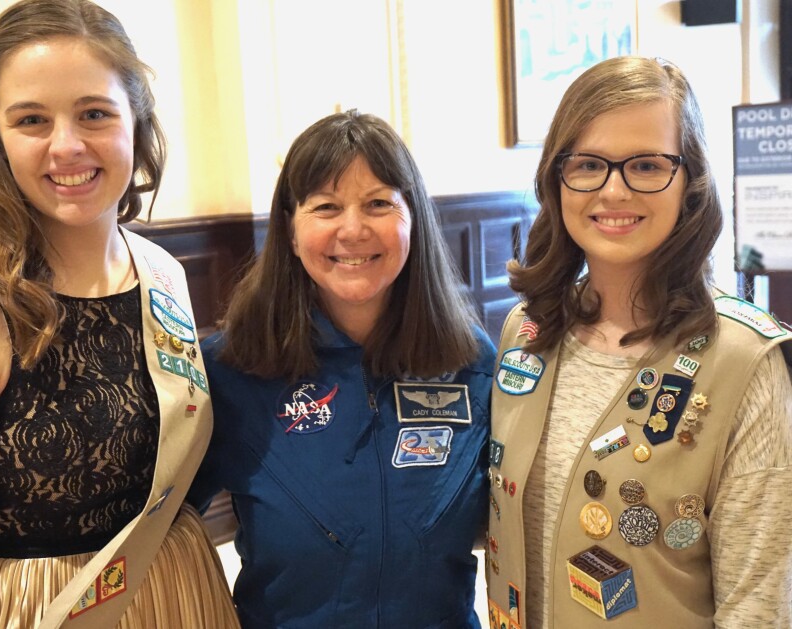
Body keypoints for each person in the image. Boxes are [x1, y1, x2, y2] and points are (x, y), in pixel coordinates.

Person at [0, 1, 240, 627]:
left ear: (137, 124)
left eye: (94, 113)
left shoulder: (163, 274)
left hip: (184, 588)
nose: (66, 146)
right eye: (32, 119)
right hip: (42, 608)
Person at [486, 56, 792, 628]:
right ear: (558, 179)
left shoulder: (743, 362)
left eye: (648, 165)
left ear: (691, 182)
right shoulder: (525, 332)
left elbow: (759, 603)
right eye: (589, 164)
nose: (614, 190)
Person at [188, 109, 497, 628]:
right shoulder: (230, 371)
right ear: (290, 232)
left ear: (414, 220)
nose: (352, 230)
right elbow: (164, 530)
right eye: (326, 207)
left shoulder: (472, 364)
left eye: (378, 203)